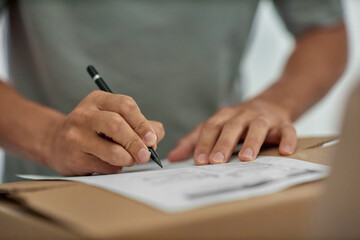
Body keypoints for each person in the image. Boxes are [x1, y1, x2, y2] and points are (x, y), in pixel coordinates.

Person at [0, 1, 347, 182]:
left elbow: (326, 31)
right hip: (48, 197)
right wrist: (50, 137)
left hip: (219, 180)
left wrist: (274, 103)